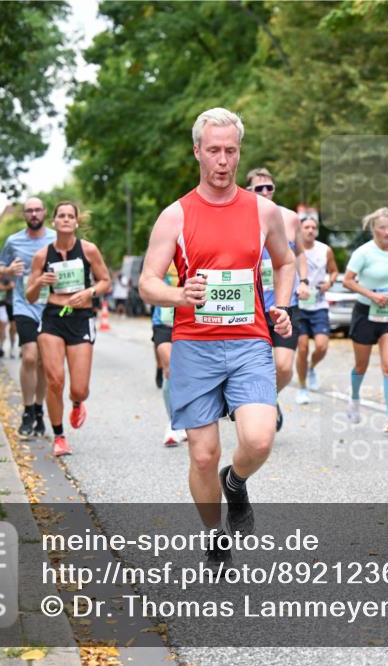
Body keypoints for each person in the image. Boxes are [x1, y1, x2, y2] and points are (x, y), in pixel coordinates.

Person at [139, 108, 295, 564]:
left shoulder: (263, 211)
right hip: (194, 345)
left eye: (230, 151)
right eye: (214, 151)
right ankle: (214, 532)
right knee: (203, 455)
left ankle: (237, 482)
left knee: (260, 439)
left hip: (249, 342)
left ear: (239, 151)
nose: (223, 160)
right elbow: (147, 282)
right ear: (197, 152)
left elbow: (285, 263)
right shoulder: (175, 215)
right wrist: (178, 293)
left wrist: (280, 305)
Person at [25, 202, 110, 457]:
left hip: (81, 318)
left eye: (70, 216)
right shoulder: (42, 255)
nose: (65, 219)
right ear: (54, 221)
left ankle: (76, 402)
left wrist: (89, 292)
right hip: (52, 318)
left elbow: (105, 281)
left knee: (79, 388)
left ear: (76, 222)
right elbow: (29, 296)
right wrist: (40, 281)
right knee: (54, 380)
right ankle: (59, 436)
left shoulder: (88, 250)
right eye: (60, 215)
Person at [245, 167, 309, 432]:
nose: (265, 192)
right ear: (248, 191)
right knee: (255, 367)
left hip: (285, 304)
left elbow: (301, 254)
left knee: (283, 367)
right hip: (254, 305)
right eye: (258, 188)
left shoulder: (290, 218)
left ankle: (270, 398)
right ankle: (257, 406)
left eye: (269, 187)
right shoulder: (241, 218)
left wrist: (304, 281)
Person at [343, 208, 388, 432]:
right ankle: (354, 399)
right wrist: (371, 295)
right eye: (382, 227)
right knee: (361, 365)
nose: (386, 232)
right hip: (365, 312)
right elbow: (348, 280)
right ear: (373, 229)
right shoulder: (363, 252)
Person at [0, 197, 57, 439]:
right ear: (24, 215)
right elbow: (0, 265)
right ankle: (27, 409)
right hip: (24, 305)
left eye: (37, 210)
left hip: (51, 306)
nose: (33, 214)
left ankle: (39, 409)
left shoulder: (55, 238)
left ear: (44, 213)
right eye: (29, 210)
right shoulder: (13, 240)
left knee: (44, 361)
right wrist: (9, 270)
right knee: (30, 356)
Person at [294, 213, 339, 404]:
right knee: (302, 347)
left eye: (313, 227)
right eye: (307, 227)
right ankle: (302, 388)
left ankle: (311, 367)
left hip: (319, 303)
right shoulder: (293, 249)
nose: (310, 230)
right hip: (298, 305)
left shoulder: (325, 250)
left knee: (322, 346)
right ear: (300, 230)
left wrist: (329, 282)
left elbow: (334, 271)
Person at [152, 263, 188, 447]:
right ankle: (174, 423)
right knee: (170, 368)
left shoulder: (194, 246)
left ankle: (189, 417)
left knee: (187, 373)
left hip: (191, 320)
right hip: (164, 322)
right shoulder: (161, 251)